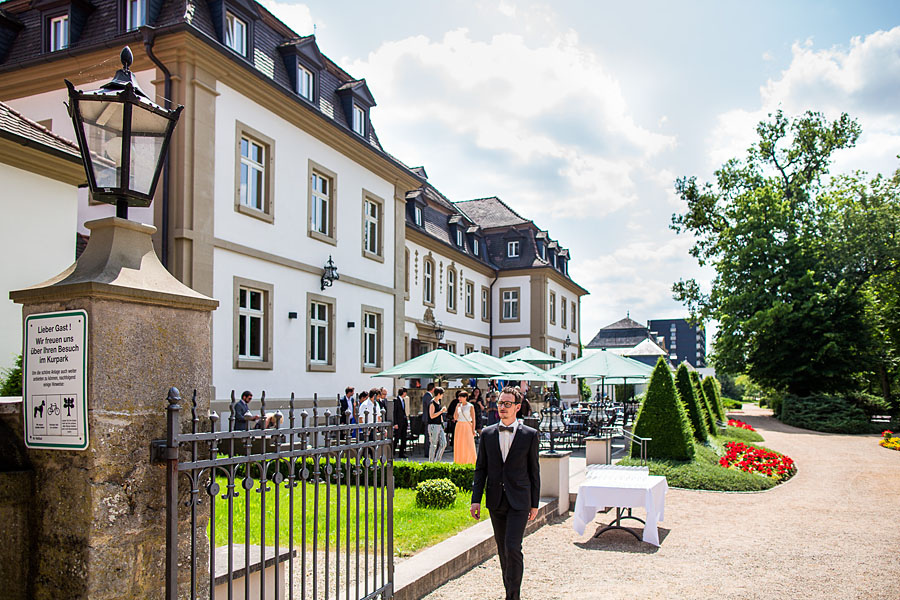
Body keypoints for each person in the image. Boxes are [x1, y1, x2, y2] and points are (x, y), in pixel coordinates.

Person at [470, 387, 540, 600]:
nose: (502, 407)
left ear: (517, 407)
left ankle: (513, 596)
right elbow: (480, 468)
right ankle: (509, 591)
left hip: (520, 500)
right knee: (502, 550)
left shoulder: (530, 435)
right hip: (496, 500)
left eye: (507, 404)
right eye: (500, 403)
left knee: (512, 547)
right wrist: (476, 500)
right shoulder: (488, 434)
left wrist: (534, 504)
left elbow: (533, 471)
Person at [453, 390, 477, 464]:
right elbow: (455, 418)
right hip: (459, 425)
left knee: (468, 444)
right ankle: (459, 461)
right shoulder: (458, 406)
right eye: (459, 397)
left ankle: (470, 461)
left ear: (465, 397)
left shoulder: (470, 406)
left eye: (461, 397)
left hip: (467, 425)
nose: (459, 398)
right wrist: (457, 408)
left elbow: (473, 419)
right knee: (459, 444)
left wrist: (473, 429)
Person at [427, 386, 448, 462]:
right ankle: (431, 461)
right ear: (439, 394)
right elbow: (431, 416)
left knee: (443, 443)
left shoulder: (438, 402)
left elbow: (439, 415)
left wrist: (442, 423)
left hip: (439, 425)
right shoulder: (432, 403)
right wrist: (441, 411)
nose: (442, 396)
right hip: (433, 425)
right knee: (433, 444)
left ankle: (437, 460)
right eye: (442, 394)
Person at [393, 388, 410, 458]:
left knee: (403, 438)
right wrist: (395, 423)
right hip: (398, 423)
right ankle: (392, 452)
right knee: (396, 438)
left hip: (403, 422)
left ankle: (401, 453)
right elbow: (394, 413)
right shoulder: (396, 400)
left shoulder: (403, 400)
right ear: (403, 393)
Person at [421, 382, 435, 452]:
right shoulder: (428, 396)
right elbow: (430, 407)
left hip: (426, 418)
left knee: (428, 435)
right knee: (428, 435)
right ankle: (427, 451)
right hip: (428, 418)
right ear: (433, 389)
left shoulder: (426, 395)